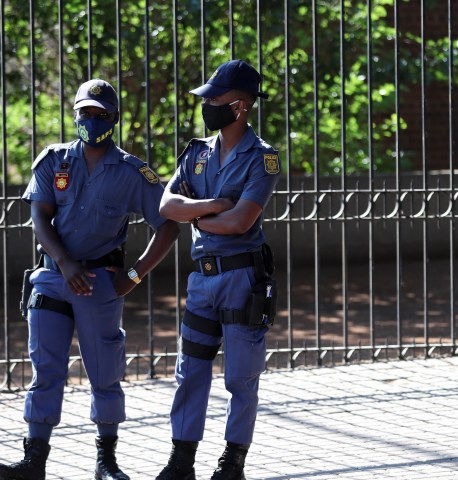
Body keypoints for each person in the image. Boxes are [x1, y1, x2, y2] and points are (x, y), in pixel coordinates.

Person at [0, 79, 180, 480]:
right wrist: (63, 262)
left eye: (100, 114)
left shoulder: (132, 172)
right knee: (47, 369)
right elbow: (39, 216)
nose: (91, 121)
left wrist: (134, 273)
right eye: (84, 113)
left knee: (104, 371)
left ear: (113, 119)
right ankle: (34, 460)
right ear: (75, 114)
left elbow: (168, 225)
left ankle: (106, 462)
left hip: (101, 282)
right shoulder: (54, 160)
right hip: (53, 278)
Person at [154, 59, 280, 480]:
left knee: (240, 378)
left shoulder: (262, 159)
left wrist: (194, 215)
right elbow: (166, 206)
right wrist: (209, 208)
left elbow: (241, 221)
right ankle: (181, 460)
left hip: (242, 278)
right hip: (203, 278)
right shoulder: (197, 152)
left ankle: (232, 464)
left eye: (215, 98)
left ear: (241, 106)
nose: (207, 105)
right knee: (190, 371)